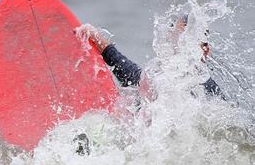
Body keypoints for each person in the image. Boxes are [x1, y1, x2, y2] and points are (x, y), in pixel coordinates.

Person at [79, 15, 224, 99]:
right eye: (176, 41)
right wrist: (96, 38)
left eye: (185, 42)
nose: (177, 48)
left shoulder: (210, 92)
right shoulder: (159, 78)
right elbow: (130, 74)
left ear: (204, 51)